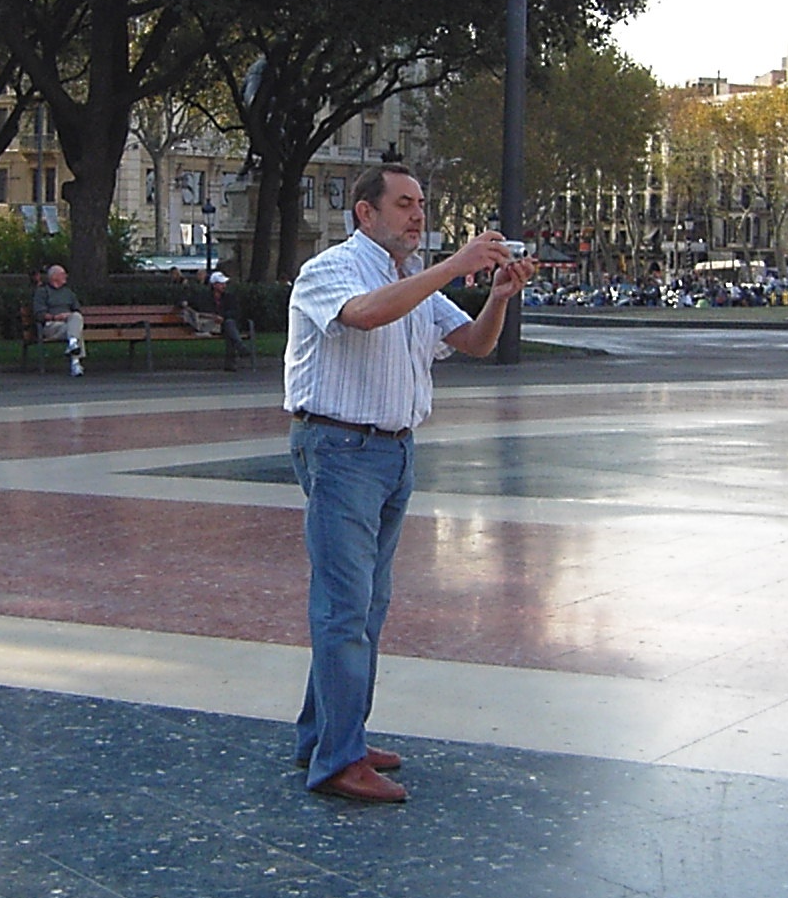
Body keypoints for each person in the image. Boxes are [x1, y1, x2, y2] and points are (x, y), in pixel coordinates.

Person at [283, 163, 534, 803]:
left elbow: (473, 343)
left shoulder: (413, 281)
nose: (418, 215)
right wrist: (455, 266)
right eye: (403, 204)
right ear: (365, 213)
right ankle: (338, 761)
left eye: (421, 203)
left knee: (366, 606)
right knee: (345, 607)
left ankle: (330, 737)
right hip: (340, 448)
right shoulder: (332, 269)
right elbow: (364, 316)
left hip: (393, 450)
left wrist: (498, 299)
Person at [184, 270, 250, 371]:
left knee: (229, 326)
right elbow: (187, 301)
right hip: (210, 326)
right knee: (230, 330)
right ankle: (238, 348)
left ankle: (235, 355)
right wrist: (183, 303)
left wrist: (223, 317)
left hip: (224, 325)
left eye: (224, 283)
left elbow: (235, 312)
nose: (224, 286)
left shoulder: (229, 297)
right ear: (214, 285)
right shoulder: (203, 297)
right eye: (221, 284)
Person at [33, 263, 86, 377]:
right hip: (51, 326)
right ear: (54, 277)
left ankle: (73, 347)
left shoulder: (68, 292)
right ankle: (75, 361)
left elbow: (77, 309)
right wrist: (55, 317)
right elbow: (39, 314)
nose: (65, 276)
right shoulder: (42, 292)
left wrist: (68, 315)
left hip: (68, 325)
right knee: (76, 331)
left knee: (76, 318)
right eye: (63, 274)